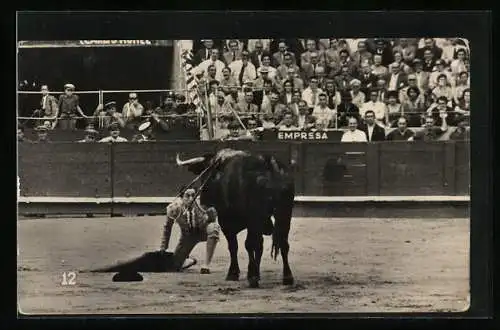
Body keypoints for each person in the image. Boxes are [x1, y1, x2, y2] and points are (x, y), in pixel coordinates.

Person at [160, 188, 221, 274]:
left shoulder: (202, 204)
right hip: (188, 236)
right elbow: (167, 227)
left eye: (193, 195)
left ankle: (206, 265)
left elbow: (212, 220)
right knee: (174, 266)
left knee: (213, 228)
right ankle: (189, 261)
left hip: (203, 231)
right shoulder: (174, 208)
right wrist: (163, 247)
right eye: (187, 196)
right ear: (181, 198)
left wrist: (211, 215)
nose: (191, 198)